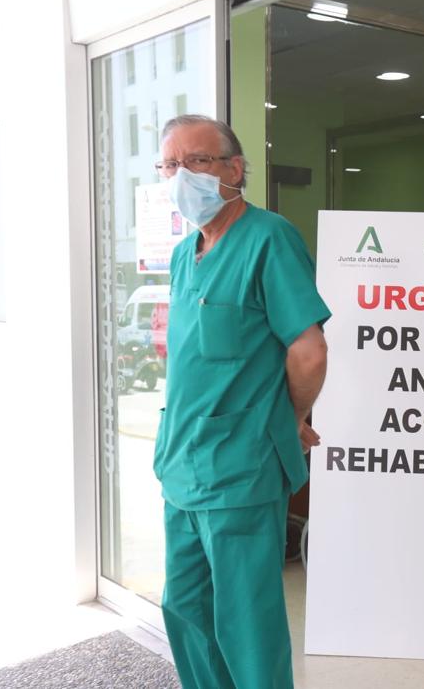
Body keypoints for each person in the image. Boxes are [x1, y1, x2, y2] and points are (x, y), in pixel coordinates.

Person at [152, 114, 330, 688]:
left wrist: (294, 415)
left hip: (239, 467)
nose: (183, 176)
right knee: (185, 606)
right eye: (170, 165)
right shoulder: (186, 254)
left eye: (197, 161)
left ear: (234, 169)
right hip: (181, 462)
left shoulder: (269, 238)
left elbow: (308, 351)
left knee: (245, 619)